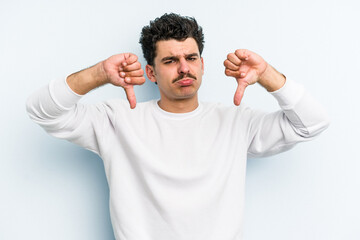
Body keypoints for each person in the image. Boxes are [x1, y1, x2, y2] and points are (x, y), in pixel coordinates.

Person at [26, 13, 329, 240]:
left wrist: (267, 75)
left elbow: (312, 123)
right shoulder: (116, 120)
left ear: (202, 64)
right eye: (170, 60)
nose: (184, 67)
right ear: (151, 72)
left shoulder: (237, 122)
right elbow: (43, 111)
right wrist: (98, 75)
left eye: (191, 57)